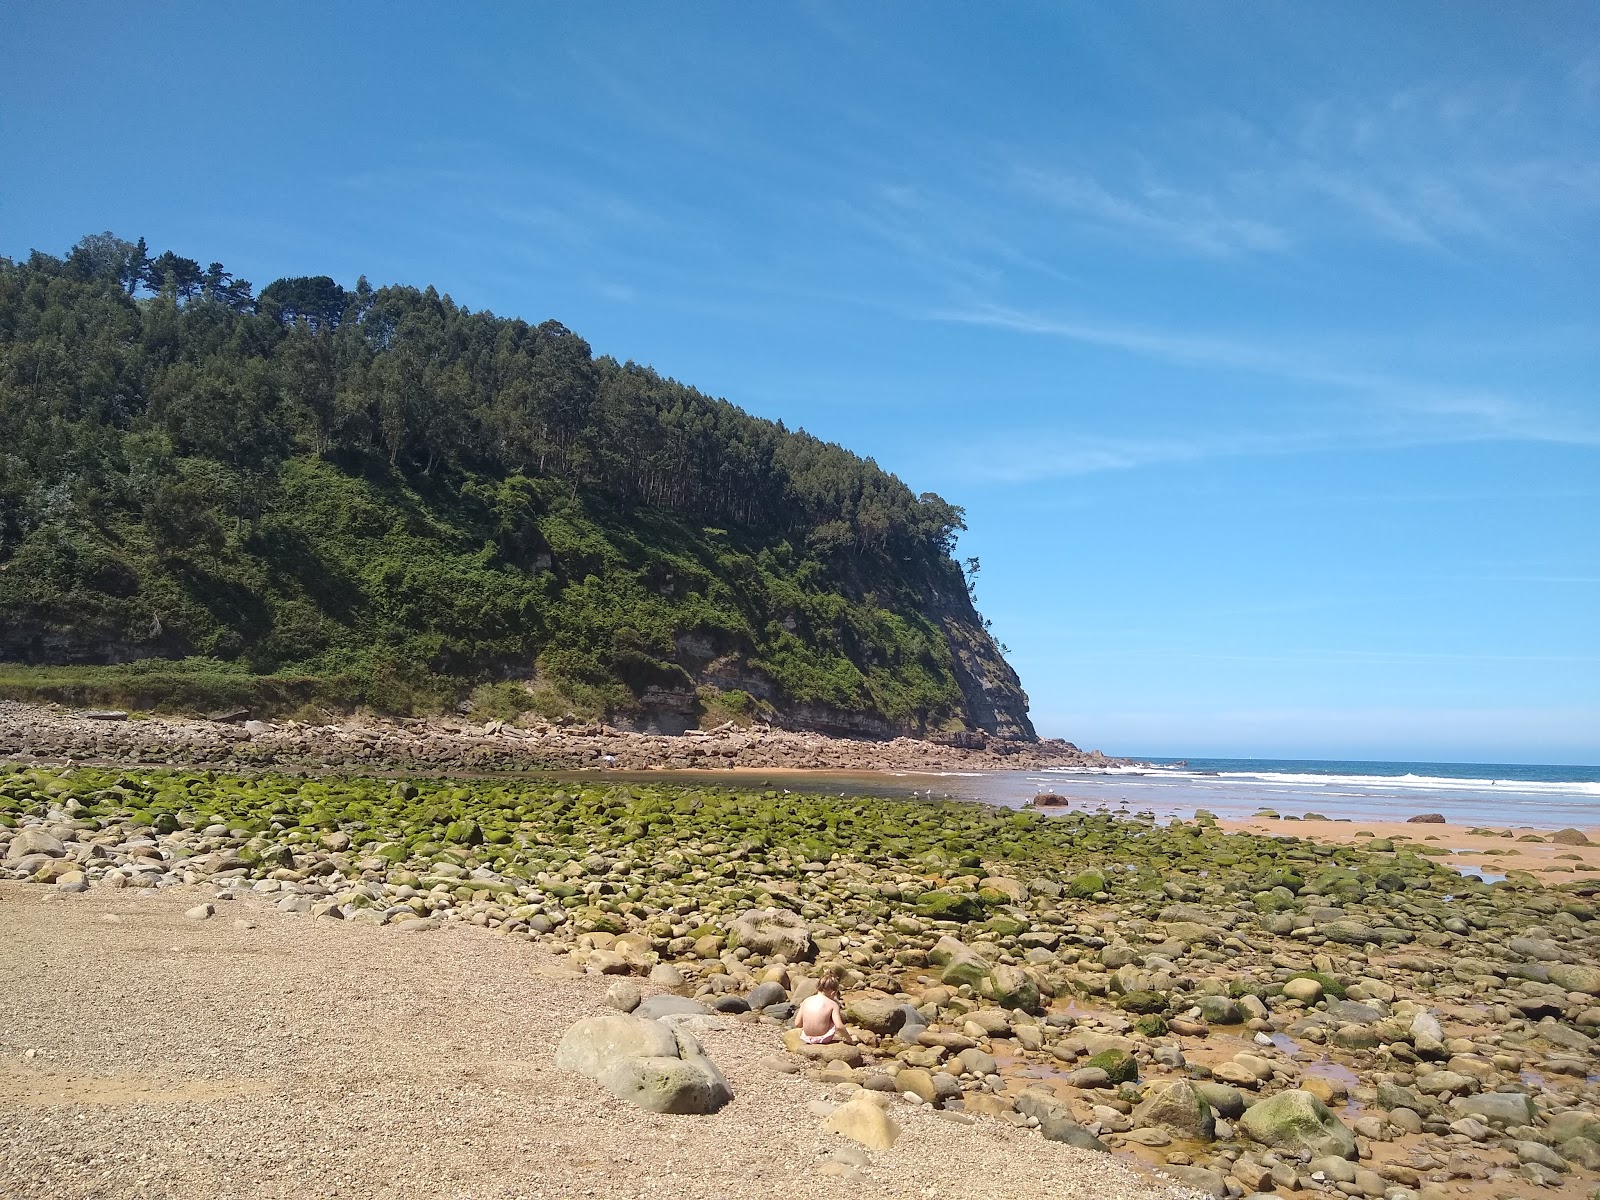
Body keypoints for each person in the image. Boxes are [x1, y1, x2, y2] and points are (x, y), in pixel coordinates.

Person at [794, 973, 851, 1045]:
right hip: (824, 1038)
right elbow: (839, 1026)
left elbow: (797, 1024)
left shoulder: (805, 1001)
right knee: (834, 1019)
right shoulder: (833, 1004)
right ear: (833, 993)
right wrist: (850, 1039)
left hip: (806, 1037)